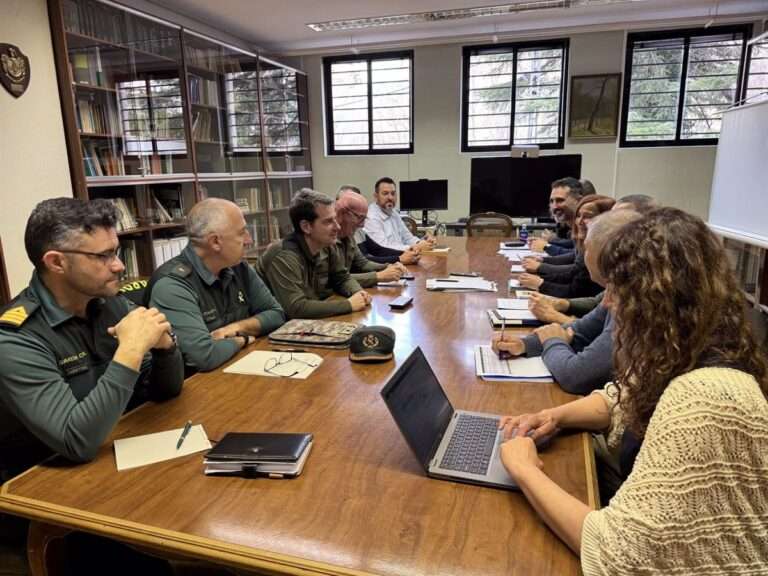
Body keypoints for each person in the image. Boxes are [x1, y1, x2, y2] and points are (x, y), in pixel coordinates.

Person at [498, 208, 768, 574]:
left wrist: (524, 469)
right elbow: (622, 397)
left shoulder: (706, 398)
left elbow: (618, 555)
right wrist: (554, 416)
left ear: (652, 298)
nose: (607, 302)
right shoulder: (692, 350)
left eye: (615, 289)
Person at [0, 198, 183, 478]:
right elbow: (76, 442)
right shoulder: (15, 337)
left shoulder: (107, 303)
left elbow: (164, 391)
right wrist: (131, 350)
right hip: (46, 483)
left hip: (120, 452)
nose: (119, 266)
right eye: (103, 256)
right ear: (56, 262)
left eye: (117, 252)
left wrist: (164, 349)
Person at [493, 209, 642, 394]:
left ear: (608, 253)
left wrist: (553, 340)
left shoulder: (637, 302)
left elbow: (577, 376)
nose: (581, 255)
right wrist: (525, 344)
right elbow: (581, 331)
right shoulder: (618, 288)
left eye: (586, 248)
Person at [147, 198, 285, 374]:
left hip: (237, 369)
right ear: (215, 242)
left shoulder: (238, 268)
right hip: (196, 389)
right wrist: (241, 340)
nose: (249, 240)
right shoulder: (173, 286)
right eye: (242, 233)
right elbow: (203, 357)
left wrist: (235, 329)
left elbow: (277, 314)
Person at [256, 189, 371, 319]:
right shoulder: (283, 256)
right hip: (277, 329)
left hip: (312, 319)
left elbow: (342, 278)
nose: (337, 227)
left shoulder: (326, 244)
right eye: (328, 222)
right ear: (306, 227)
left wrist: (359, 293)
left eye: (335, 219)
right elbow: (296, 308)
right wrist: (348, 304)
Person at [519, 194, 613, 298]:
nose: (580, 221)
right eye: (578, 216)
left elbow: (577, 289)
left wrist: (541, 281)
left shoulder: (603, 250)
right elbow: (574, 271)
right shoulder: (584, 240)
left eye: (588, 216)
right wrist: (541, 268)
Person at [334, 189, 407, 287]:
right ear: (344, 214)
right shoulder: (327, 238)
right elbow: (338, 279)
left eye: (364, 219)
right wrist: (378, 276)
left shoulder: (348, 235)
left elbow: (363, 263)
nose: (363, 224)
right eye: (360, 218)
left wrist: (387, 266)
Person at [337, 185, 421, 266]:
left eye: (393, 193)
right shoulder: (334, 235)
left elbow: (377, 251)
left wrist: (408, 251)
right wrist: (399, 259)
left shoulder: (356, 231)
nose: (363, 224)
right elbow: (358, 266)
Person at [364, 177, 436, 251]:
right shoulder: (371, 218)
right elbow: (382, 247)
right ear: (376, 196)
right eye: (385, 194)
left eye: (393, 193)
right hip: (387, 260)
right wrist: (416, 247)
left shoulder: (393, 213)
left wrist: (422, 242)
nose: (390, 197)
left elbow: (408, 238)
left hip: (400, 257)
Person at [530, 177, 584, 255]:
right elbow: (572, 246)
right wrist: (546, 243)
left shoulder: (587, 224)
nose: (554, 206)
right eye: (551, 201)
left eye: (560, 200)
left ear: (578, 201)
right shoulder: (571, 226)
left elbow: (576, 257)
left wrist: (546, 247)